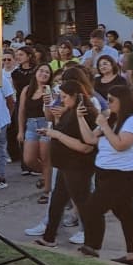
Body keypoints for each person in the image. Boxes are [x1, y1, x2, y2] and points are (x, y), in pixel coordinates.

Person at [75, 85, 133, 265]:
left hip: (125, 176)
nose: (108, 103)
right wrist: (80, 118)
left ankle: (91, 248)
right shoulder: (112, 119)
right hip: (106, 175)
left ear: (123, 101)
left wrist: (105, 126)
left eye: (111, 100)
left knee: (92, 208)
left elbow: (120, 145)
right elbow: (90, 139)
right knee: (125, 212)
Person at [35, 81, 97, 247]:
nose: (62, 100)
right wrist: (52, 129)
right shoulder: (69, 111)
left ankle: (91, 242)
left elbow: (85, 146)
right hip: (65, 164)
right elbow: (63, 130)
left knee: (82, 202)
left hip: (77, 166)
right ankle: (49, 237)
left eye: (64, 97)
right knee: (57, 201)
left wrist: (55, 134)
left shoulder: (84, 113)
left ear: (75, 95)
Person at [17, 64, 55, 198]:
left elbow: (50, 116)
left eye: (47, 72)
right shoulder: (27, 90)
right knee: (29, 159)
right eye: (41, 71)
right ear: (35, 72)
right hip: (31, 125)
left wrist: (48, 101)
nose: (43, 74)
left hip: (46, 124)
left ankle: (47, 191)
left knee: (46, 158)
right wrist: (20, 130)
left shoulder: (51, 91)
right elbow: (21, 111)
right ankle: (48, 176)